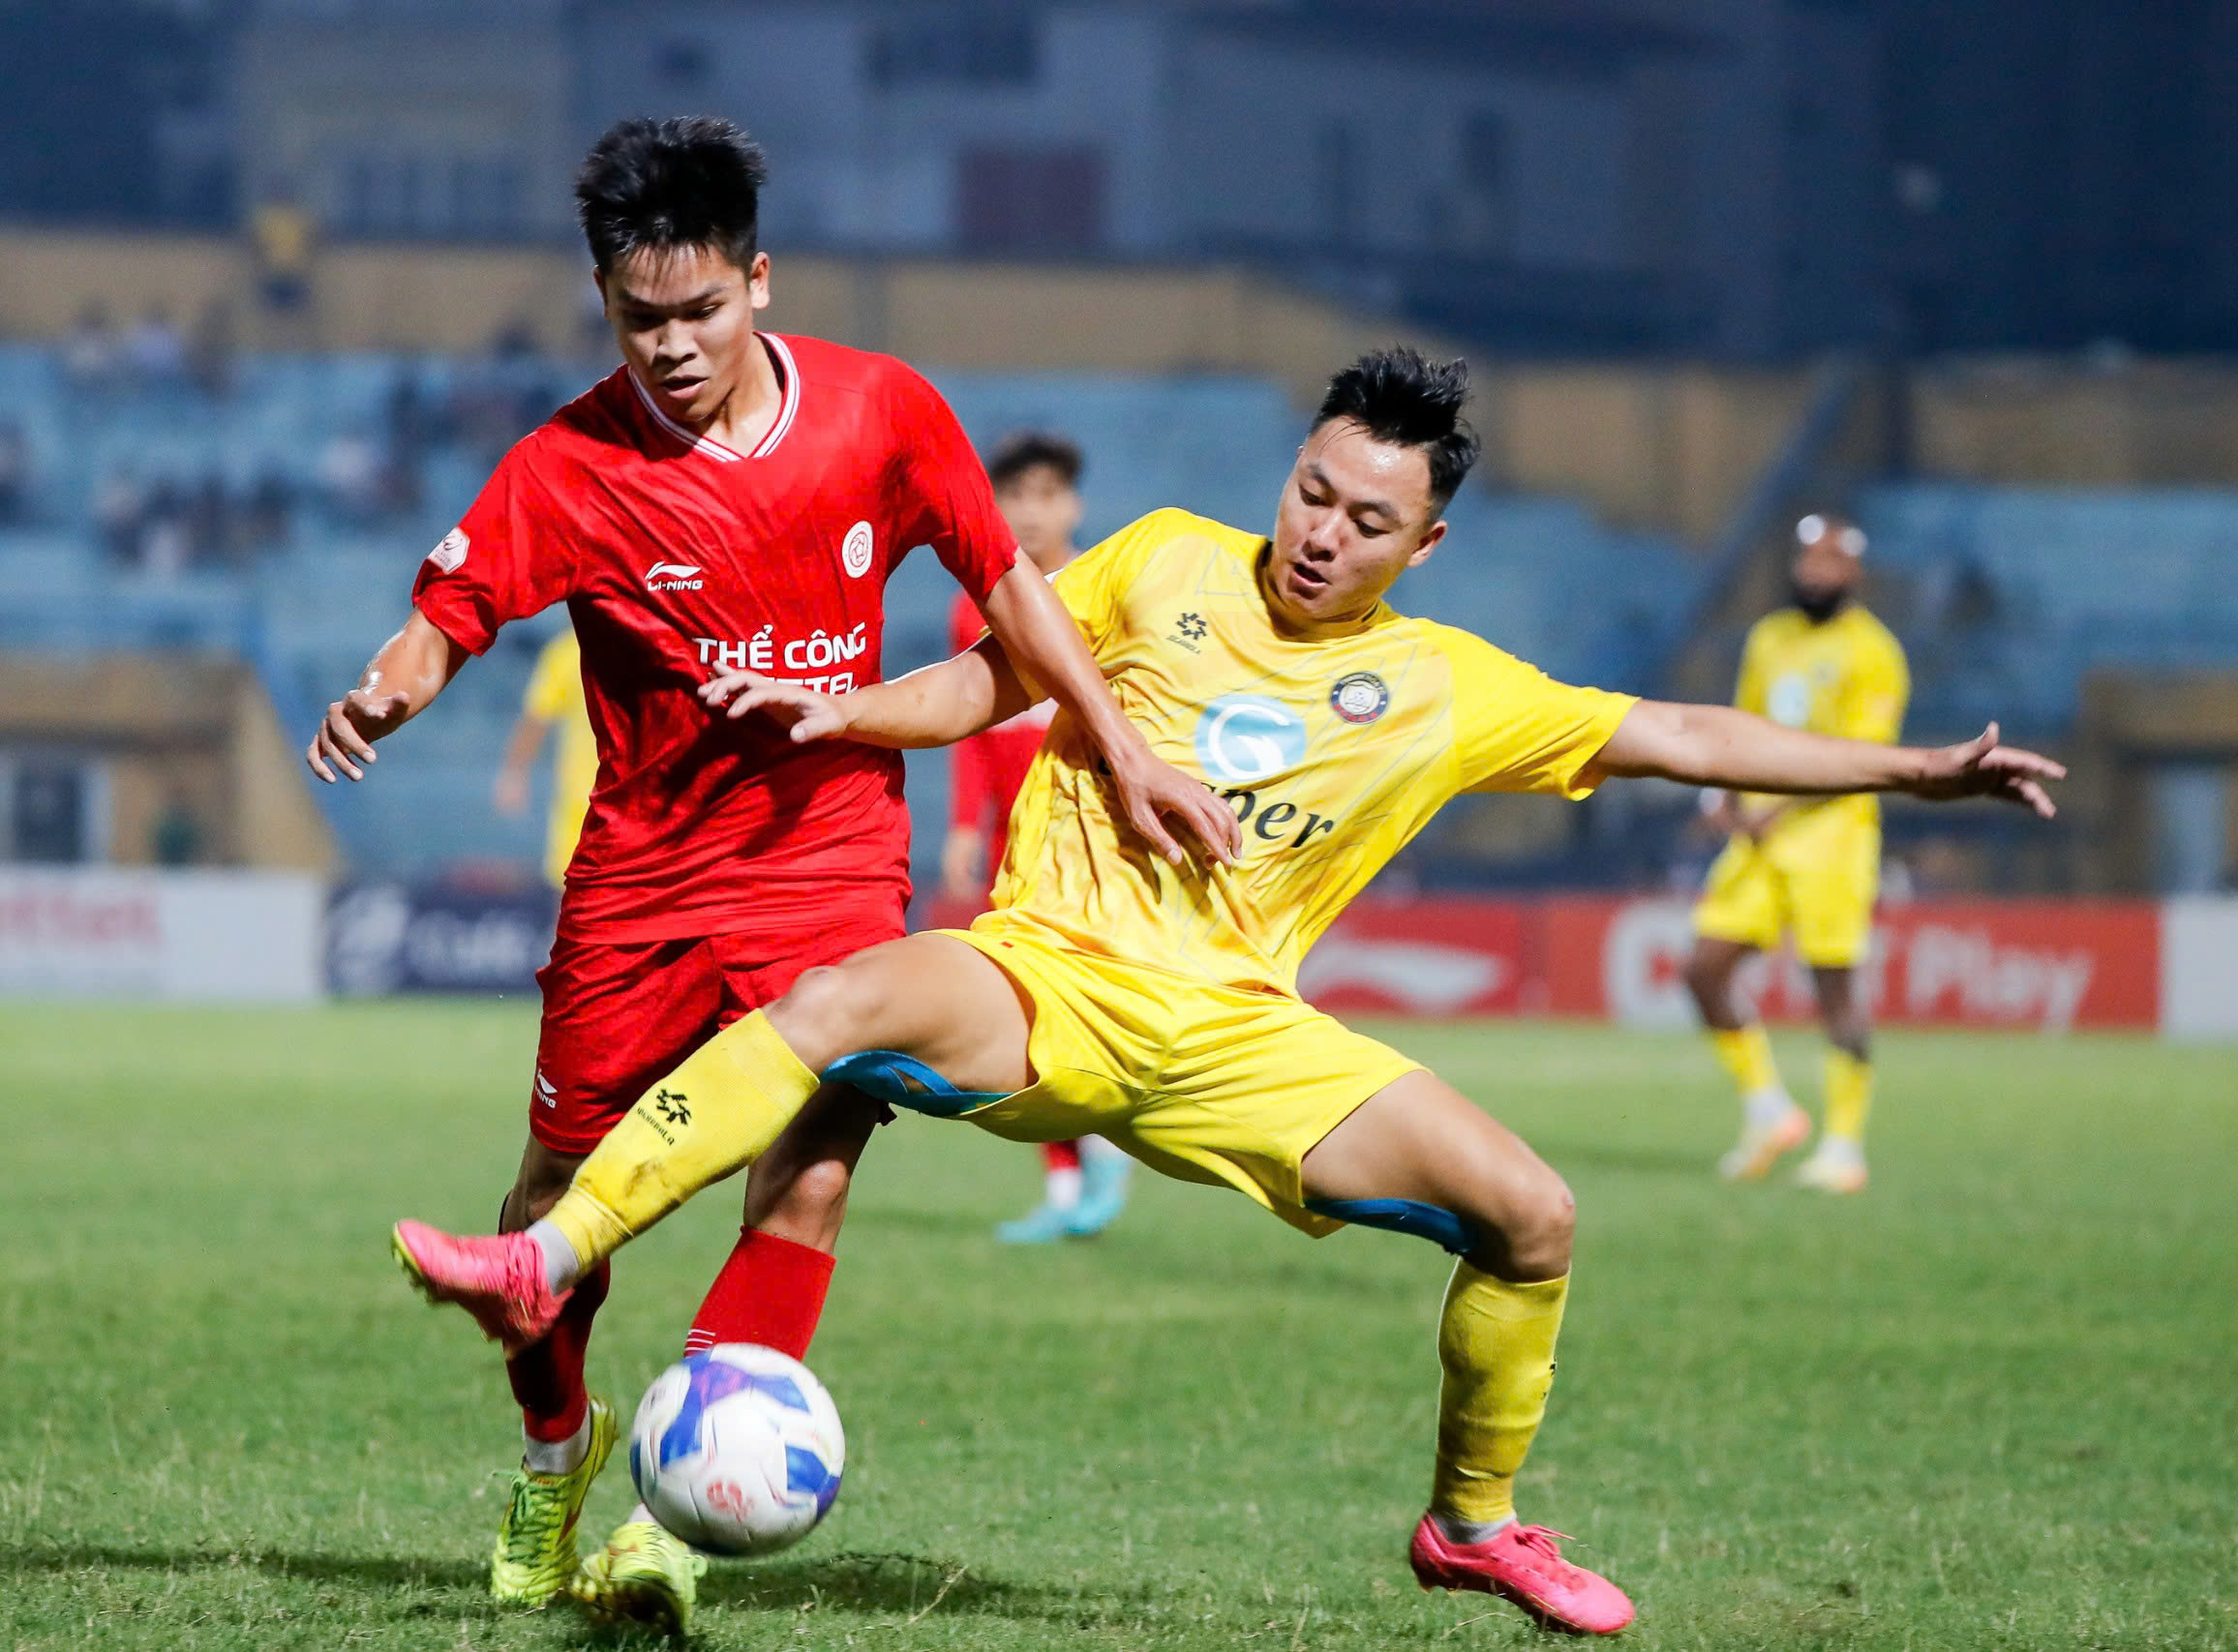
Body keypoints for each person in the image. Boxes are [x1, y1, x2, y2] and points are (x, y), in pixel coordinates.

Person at [393, 348, 2063, 1637]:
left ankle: (1470, 1525)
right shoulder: (1167, 562)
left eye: (1367, 519)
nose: (1322, 532)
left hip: (1241, 1036)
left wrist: (1915, 771)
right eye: (1313, 490)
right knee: (836, 1004)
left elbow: (1681, 736)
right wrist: (854, 715)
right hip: (1040, 976)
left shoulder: (1441, 686)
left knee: (1537, 1212)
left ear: (1428, 539)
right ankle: (546, 1258)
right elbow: (997, 670)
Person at [309, 116, 1234, 1631]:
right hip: (646, 872)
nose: (670, 346)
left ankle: (669, 1529)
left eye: (700, 311)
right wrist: (391, 682)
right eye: (637, 318)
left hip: (831, 863)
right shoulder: (569, 462)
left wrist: (1118, 743)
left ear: (758, 278)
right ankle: (558, 1450)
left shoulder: (883, 413)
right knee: (553, 1198)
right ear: (604, 302)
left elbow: (1006, 582)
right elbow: (452, 609)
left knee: (800, 1179)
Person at [935, 432, 1133, 1244]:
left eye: (1048, 495)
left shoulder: (1110, 590)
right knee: (1021, 1009)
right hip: (1014, 842)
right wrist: (960, 823)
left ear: (1073, 505)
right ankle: (1067, 1177)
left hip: (1091, 835)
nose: (1032, 511)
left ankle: (1107, 1137)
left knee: (1083, 1001)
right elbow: (975, 727)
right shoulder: (971, 604)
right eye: (1016, 495)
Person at [1683, 515, 1910, 1194]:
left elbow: (1865, 756)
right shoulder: (1770, 637)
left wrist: (1777, 801)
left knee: (1833, 986)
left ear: (1854, 574)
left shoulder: (1875, 651)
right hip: (1758, 836)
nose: (1816, 572)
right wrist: (1723, 792)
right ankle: (1769, 1110)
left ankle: (1845, 1145)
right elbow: (1744, 721)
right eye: (1807, 559)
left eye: (1831, 562)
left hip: (1832, 839)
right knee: (1703, 969)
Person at [495, 628, 598, 889]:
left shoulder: (650, 646)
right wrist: (514, 773)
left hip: (640, 805)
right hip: (580, 808)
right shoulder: (566, 653)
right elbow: (535, 720)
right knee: (572, 901)